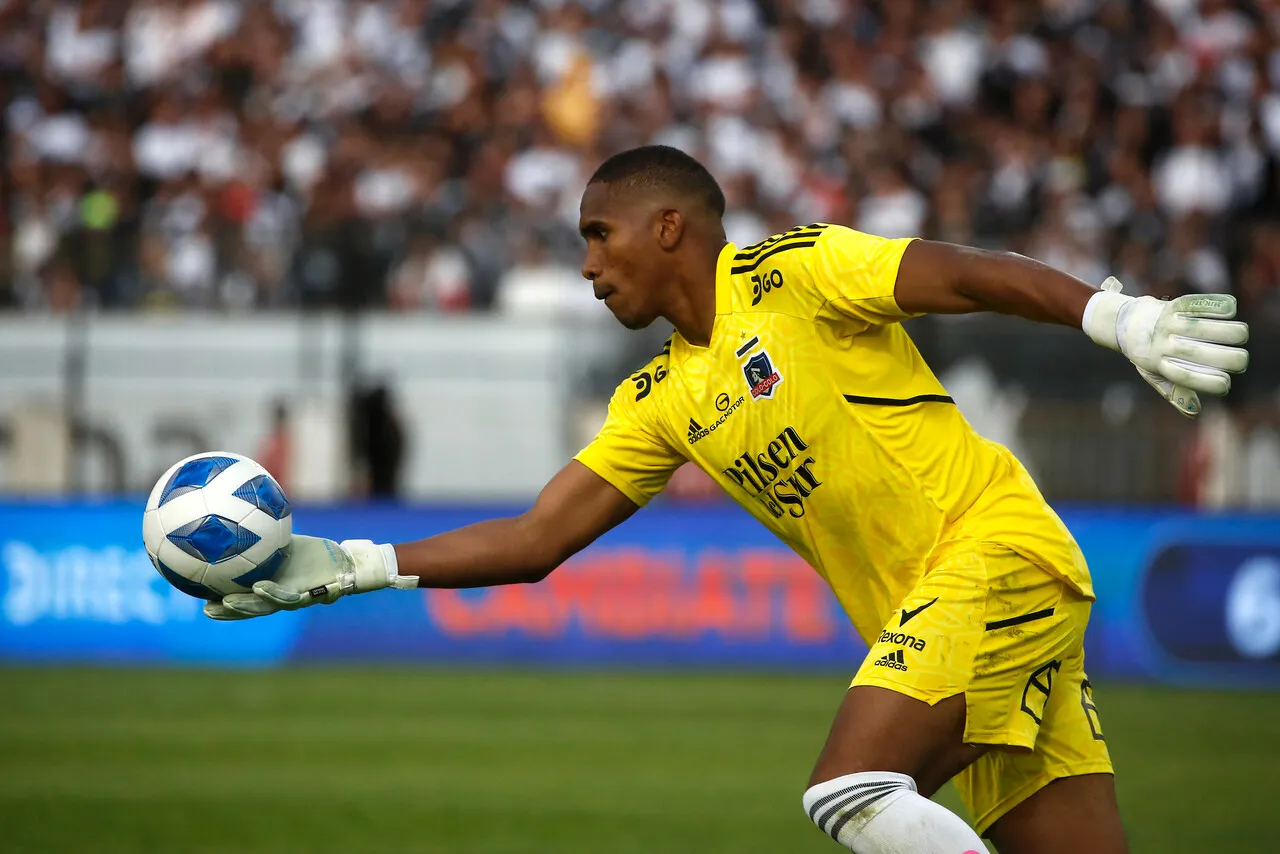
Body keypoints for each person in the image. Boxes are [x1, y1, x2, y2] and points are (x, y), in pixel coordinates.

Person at [202, 146, 1250, 854]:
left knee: (849, 791)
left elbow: (965, 274)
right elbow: (535, 536)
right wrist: (358, 563)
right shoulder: (658, 398)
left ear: (667, 227)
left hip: (994, 556)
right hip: (958, 615)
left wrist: (1115, 318)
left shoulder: (796, 272)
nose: (586, 266)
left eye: (598, 235)